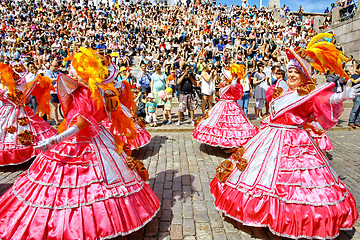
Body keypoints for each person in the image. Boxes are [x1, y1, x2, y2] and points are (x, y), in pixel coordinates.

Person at [0, 48, 160, 239]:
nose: (72, 71)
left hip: (86, 141)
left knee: (83, 184)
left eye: (75, 68)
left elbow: (80, 125)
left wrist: (54, 140)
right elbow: (102, 115)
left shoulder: (85, 93)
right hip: (101, 139)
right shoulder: (99, 89)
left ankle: (91, 225)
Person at [210, 36, 359, 239]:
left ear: (304, 76)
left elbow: (321, 100)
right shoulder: (280, 91)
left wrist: (341, 96)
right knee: (258, 174)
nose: (292, 75)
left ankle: (293, 219)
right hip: (270, 137)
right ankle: (258, 214)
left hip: (295, 141)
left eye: (296, 72)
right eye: (290, 71)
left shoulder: (306, 95)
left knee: (298, 182)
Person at [0, 62, 57, 166]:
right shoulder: (4, 89)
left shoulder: (19, 88)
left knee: (26, 129)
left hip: (18, 112)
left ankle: (30, 151)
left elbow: (37, 82)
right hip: (8, 113)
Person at [192, 64, 258, 148]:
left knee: (232, 125)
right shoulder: (224, 84)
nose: (223, 76)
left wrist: (234, 83)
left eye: (224, 75)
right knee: (220, 124)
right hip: (222, 105)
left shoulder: (233, 85)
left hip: (231, 106)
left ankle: (231, 143)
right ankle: (222, 143)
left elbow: (237, 91)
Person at [44, 60, 61, 125]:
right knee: (54, 107)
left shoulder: (59, 73)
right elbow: (49, 80)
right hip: (52, 92)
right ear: (51, 66)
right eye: (54, 66)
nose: (56, 67)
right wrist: (58, 78)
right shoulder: (48, 72)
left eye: (57, 66)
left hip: (59, 91)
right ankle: (57, 121)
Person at [348, 64, 360, 128]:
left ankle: (358, 121)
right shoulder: (354, 76)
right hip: (356, 94)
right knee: (355, 108)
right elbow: (353, 82)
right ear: (357, 69)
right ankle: (351, 121)